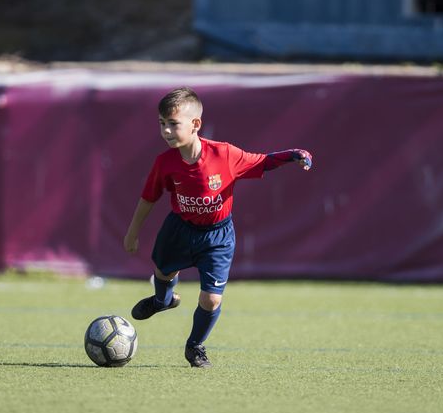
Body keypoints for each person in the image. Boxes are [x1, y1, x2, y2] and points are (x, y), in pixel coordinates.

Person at [123, 87, 312, 368]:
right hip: (179, 229)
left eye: (173, 124)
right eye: (162, 124)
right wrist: (132, 232)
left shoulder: (224, 154)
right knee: (164, 272)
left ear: (195, 124)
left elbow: (263, 160)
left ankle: (195, 346)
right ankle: (162, 302)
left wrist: (294, 154)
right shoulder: (164, 163)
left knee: (211, 299)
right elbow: (149, 197)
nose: (166, 131)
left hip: (217, 237)